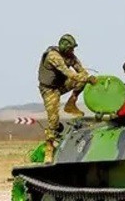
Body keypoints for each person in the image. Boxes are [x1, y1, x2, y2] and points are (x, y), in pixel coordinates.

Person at [37, 33, 97, 163]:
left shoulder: (71, 56)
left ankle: (71, 103)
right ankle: (49, 148)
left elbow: (81, 71)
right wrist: (86, 78)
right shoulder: (53, 56)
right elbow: (69, 73)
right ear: (64, 46)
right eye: (71, 48)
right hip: (49, 90)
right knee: (53, 120)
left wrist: (88, 78)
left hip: (61, 85)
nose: (73, 51)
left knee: (82, 81)